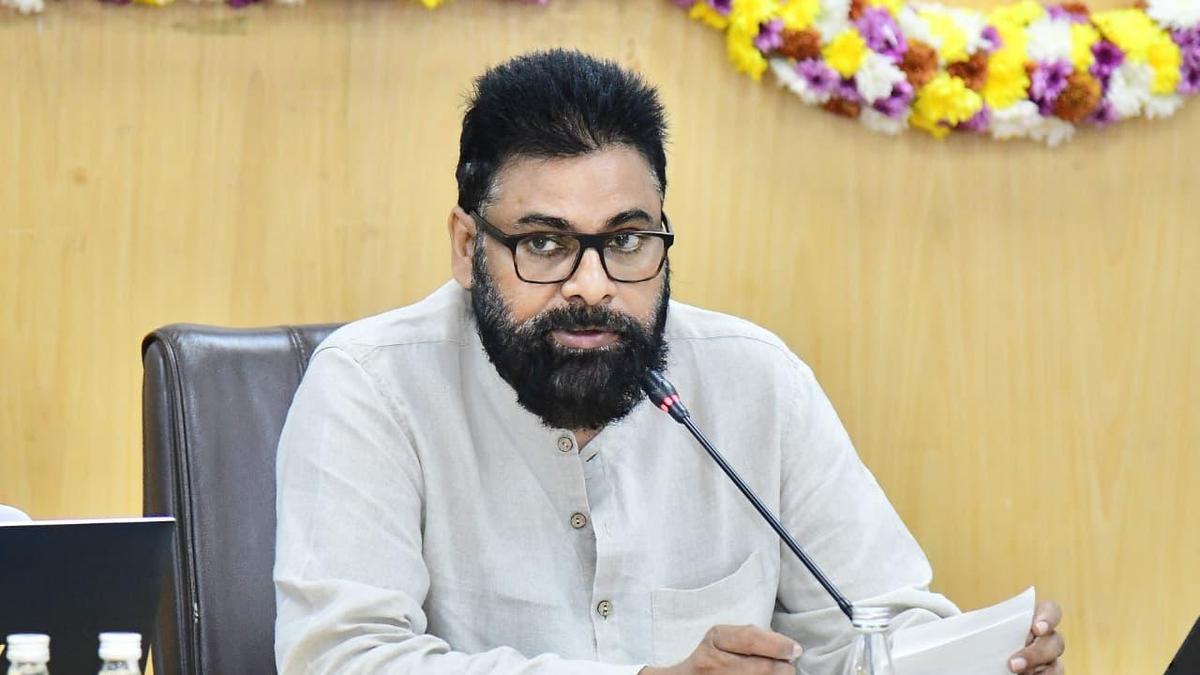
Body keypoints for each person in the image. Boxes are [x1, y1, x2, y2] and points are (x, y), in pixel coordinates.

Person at [273, 49, 1064, 675]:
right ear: (466, 245)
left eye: (625, 240)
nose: (593, 285)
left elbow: (872, 630)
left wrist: (978, 659)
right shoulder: (370, 387)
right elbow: (342, 659)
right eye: (544, 243)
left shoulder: (755, 381)